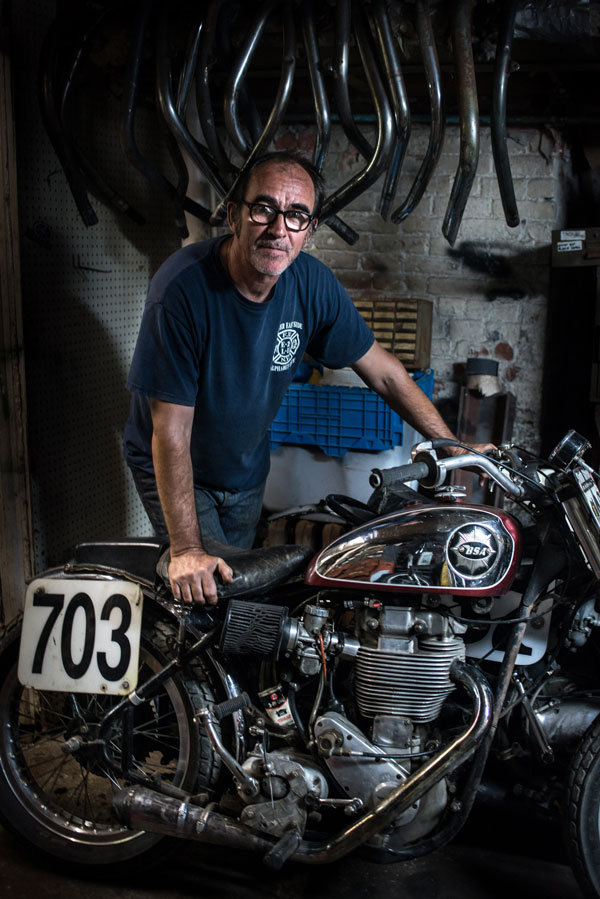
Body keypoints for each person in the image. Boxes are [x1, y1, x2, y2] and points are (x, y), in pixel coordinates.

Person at [124, 150, 478, 606]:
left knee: (242, 593)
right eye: (264, 208)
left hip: (245, 469)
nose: (278, 229)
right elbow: (169, 431)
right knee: (207, 590)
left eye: (296, 216)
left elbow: (385, 373)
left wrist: (451, 445)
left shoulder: (311, 285)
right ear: (234, 214)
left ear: (309, 231)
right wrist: (187, 549)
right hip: (179, 465)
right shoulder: (181, 290)